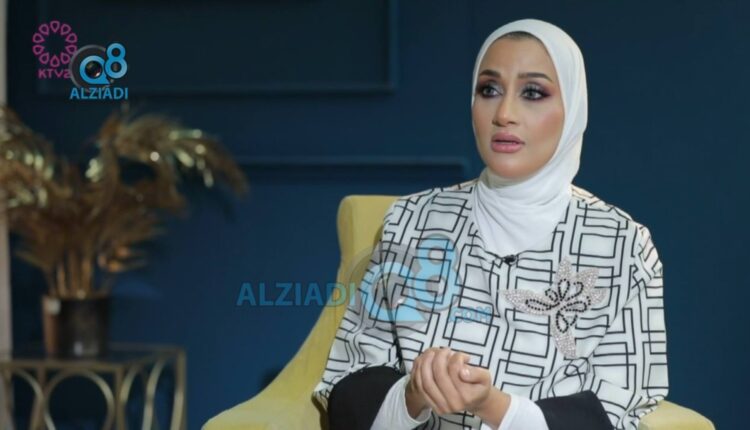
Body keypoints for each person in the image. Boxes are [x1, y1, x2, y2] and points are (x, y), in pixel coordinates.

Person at [312, 18, 668, 430]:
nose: (504, 114)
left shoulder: (622, 246)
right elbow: (351, 377)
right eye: (489, 90)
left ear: (572, 109)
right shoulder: (411, 221)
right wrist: (414, 394)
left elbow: (621, 409)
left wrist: (494, 406)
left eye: (533, 93)